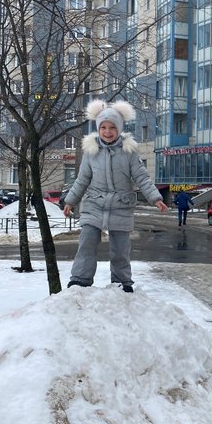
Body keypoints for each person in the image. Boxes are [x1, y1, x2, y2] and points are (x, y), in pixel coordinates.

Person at [63, 99, 168, 292]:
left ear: (119, 128)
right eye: (103, 127)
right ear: (98, 128)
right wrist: (70, 201)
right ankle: (80, 279)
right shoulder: (91, 152)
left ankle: (122, 282)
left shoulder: (129, 151)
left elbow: (142, 177)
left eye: (112, 127)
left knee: (120, 250)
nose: (108, 131)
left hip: (121, 205)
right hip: (94, 204)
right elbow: (82, 179)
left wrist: (156, 198)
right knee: (86, 242)